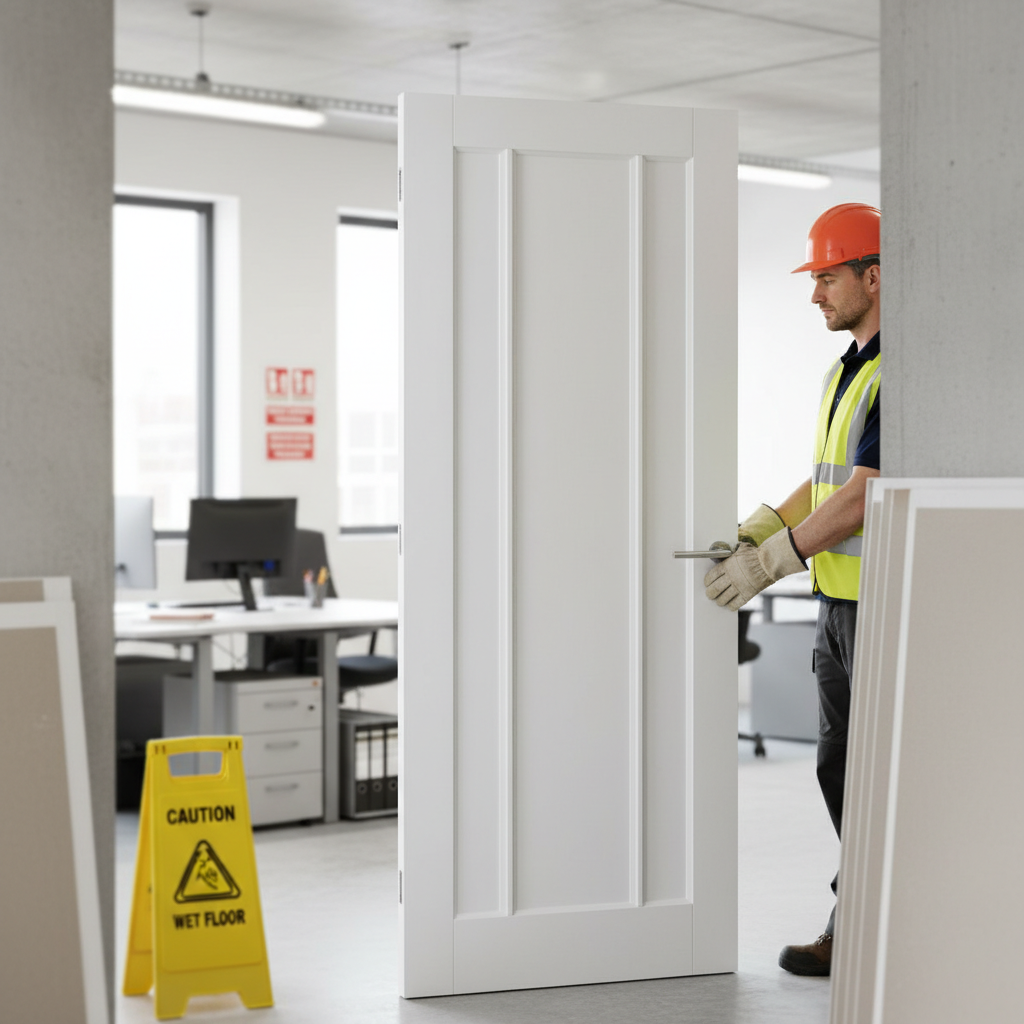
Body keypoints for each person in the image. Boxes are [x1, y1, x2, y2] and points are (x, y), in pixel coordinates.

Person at [703, 203, 881, 977]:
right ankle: (865, 916)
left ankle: (862, 927)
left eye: (828, 277)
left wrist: (772, 562)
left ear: (874, 277)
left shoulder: (898, 370)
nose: (816, 294)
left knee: (877, 778)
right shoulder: (843, 373)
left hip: (884, 606)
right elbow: (826, 482)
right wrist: (758, 527)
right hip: (836, 608)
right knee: (838, 772)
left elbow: (865, 493)